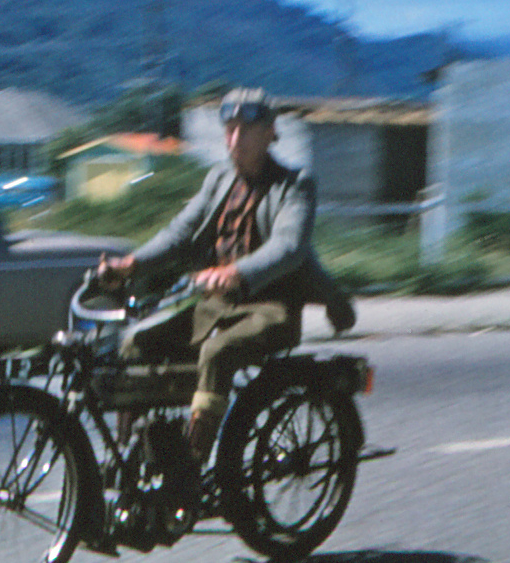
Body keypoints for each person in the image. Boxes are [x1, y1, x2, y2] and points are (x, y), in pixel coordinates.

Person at [96, 87, 355, 459]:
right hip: (214, 305)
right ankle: (133, 455)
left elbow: (288, 247)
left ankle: (193, 462)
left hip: (270, 308)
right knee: (136, 343)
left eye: (246, 131)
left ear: (270, 134)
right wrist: (130, 265)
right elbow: (179, 233)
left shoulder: (294, 185)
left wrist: (235, 272)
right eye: (230, 130)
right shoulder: (219, 181)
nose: (235, 140)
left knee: (218, 352)